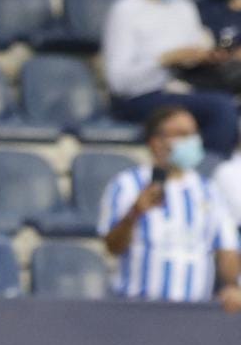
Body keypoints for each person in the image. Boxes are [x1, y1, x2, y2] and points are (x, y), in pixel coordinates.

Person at [100, 104, 241, 310]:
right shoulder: (126, 185)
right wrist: (134, 213)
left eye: (194, 134)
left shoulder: (209, 191)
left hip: (192, 315)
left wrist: (232, 285)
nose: (193, 141)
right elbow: (113, 247)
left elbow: (226, 249)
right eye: (183, 135)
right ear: (157, 142)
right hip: (135, 312)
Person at [104, 0, 239, 159]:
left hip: (186, 86)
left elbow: (197, 49)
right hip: (140, 96)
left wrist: (208, 55)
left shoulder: (184, 7)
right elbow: (118, 82)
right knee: (221, 108)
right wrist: (164, 60)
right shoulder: (126, 9)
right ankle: (209, 174)